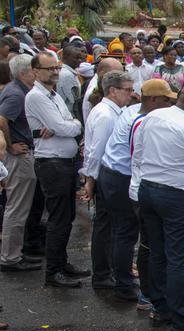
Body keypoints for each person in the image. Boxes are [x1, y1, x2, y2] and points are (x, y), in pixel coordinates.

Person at [133, 83, 184, 331]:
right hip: (173, 193)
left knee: (157, 252)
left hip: (147, 188)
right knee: (177, 258)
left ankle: (162, 308)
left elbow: (139, 152)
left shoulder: (152, 116)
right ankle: (181, 321)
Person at [100, 78, 175, 304]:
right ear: (153, 100)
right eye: (165, 100)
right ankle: (124, 285)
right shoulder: (142, 120)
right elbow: (139, 159)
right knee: (127, 233)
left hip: (113, 172)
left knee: (121, 231)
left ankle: (121, 278)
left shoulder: (133, 110)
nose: (170, 105)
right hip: (122, 177)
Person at [24, 51, 90, 287]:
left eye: (56, 68)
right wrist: (68, 126)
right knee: (58, 219)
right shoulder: (36, 97)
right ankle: (53, 271)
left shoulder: (53, 95)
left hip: (64, 162)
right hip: (52, 164)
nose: (54, 72)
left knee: (67, 216)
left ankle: (61, 263)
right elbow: (63, 126)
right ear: (35, 71)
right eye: (49, 68)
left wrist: (69, 125)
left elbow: (73, 122)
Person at [80, 70, 135, 291]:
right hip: (105, 175)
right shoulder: (106, 114)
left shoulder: (111, 110)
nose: (131, 94)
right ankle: (103, 274)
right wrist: (90, 180)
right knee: (105, 227)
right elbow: (97, 151)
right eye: (128, 90)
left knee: (108, 227)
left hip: (104, 175)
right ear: (112, 91)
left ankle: (109, 270)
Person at [0, 54, 43, 273]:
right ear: (23, 73)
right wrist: (10, 146)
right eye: (34, 70)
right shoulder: (16, 93)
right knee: (16, 208)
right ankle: (10, 258)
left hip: (22, 153)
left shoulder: (18, 90)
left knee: (17, 207)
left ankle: (14, 254)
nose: (37, 73)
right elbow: (1, 119)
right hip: (18, 157)